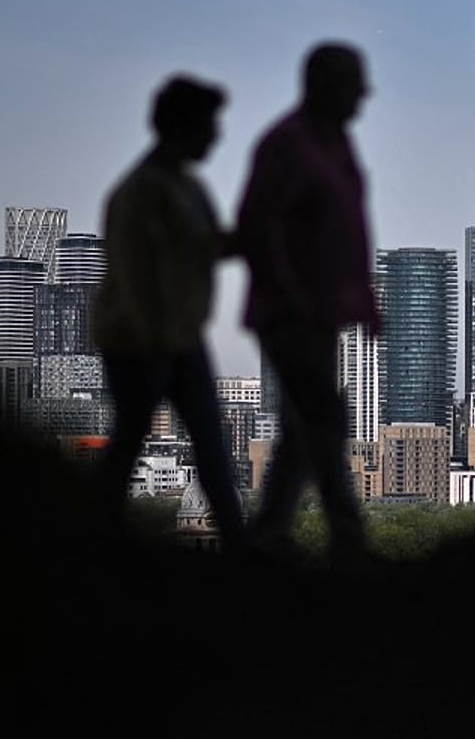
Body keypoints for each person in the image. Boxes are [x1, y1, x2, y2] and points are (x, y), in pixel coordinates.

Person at [91, 74, 249, 553]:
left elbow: (207, 246)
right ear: (181, 126)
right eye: (209, 125)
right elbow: (136, 276)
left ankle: (239, 548)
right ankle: (93, 539)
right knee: (133, 442)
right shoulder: (139, 192)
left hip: (179, 337)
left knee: (209, 444)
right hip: (139, 341)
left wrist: (259, 232)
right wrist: (156, 343)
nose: (217, 136)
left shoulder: (189, 187)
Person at [236, 42, 379, 562]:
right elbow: (257, 224)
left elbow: (350, 229)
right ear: (323, 85)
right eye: (354, 83)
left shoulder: (336, 143)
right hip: (288, 313)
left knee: (306, 424)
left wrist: (365, 301)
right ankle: (348, 538)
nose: (364, 96)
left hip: (323, 315)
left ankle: (269, 531)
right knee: (325, 415)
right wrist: (291, 294)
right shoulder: (287, 144)